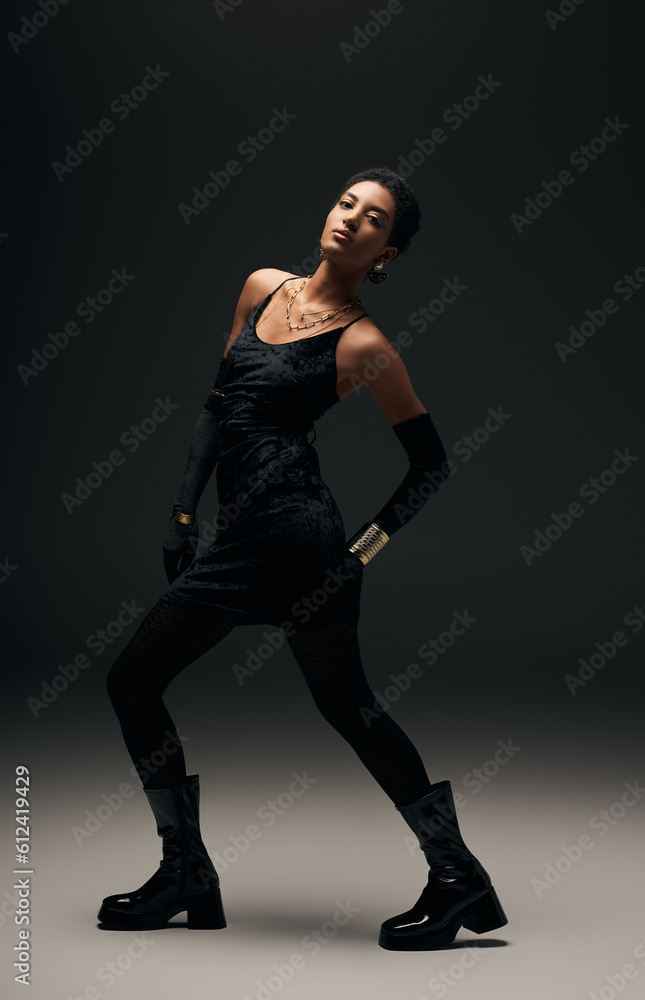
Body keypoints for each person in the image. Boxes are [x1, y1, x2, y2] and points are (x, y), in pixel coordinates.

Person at [97, 166, 507, 950]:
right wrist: (183, 510)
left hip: (301, 544)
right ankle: (186, 871)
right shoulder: (261, 287)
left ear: (386, 254)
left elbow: (431, 464)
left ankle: (454, 878)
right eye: (348, 202)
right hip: (236, 542)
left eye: (375, 220)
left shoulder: (364, 343)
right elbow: (219, 406)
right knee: (136, 681)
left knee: (343, 709)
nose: (352, 219)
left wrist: (359, 553)